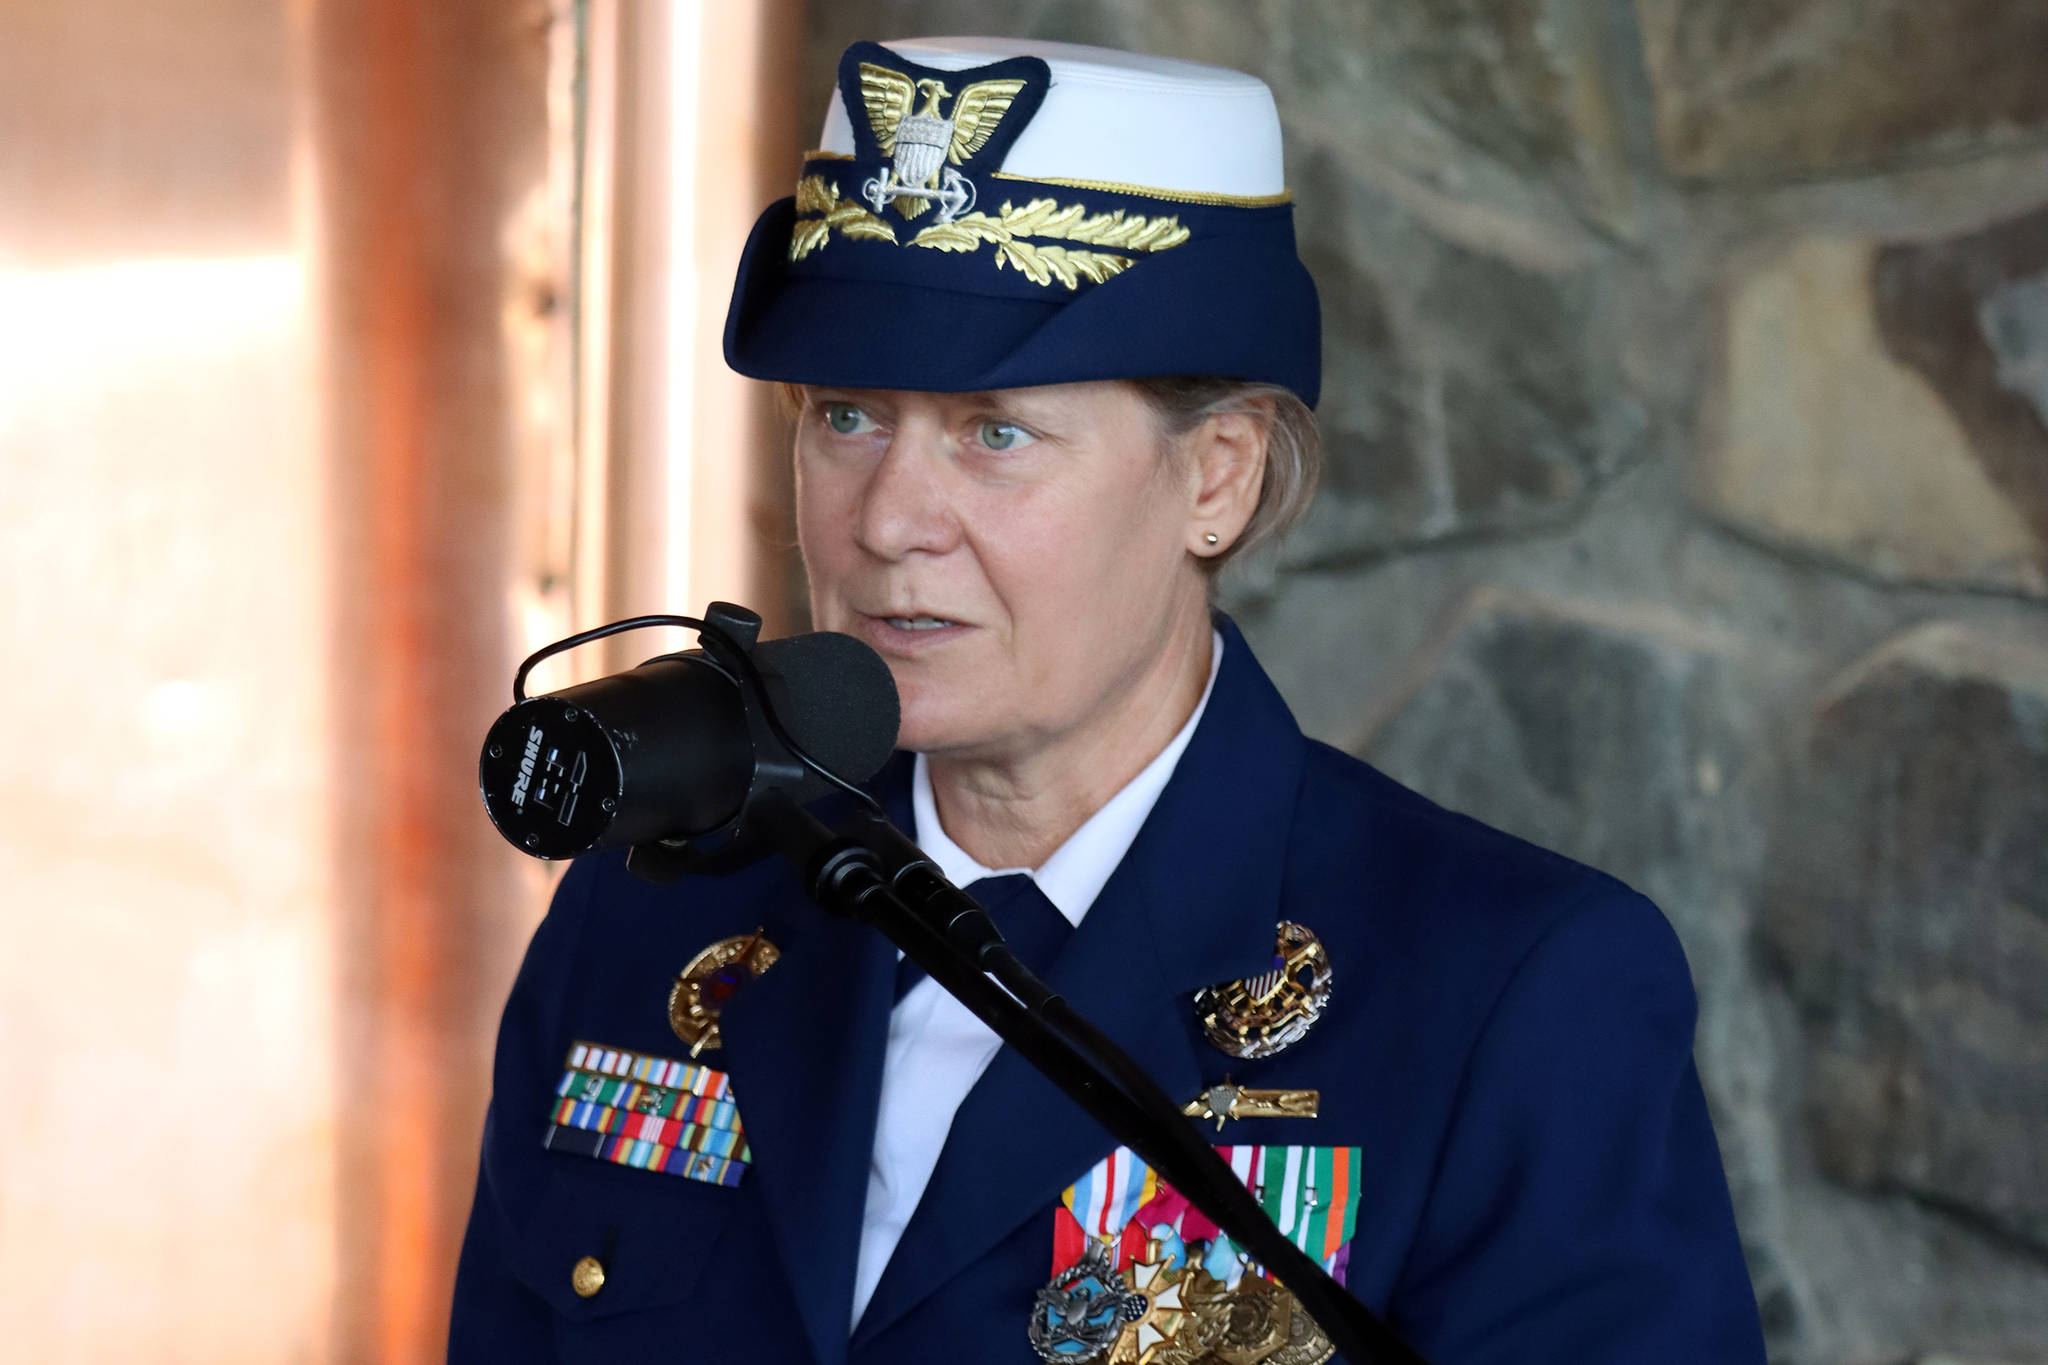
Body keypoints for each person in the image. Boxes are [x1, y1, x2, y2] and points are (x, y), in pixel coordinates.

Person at [449, 37, 1766, 1365]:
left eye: (994, 432)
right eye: (845, 414)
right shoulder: (652, 915)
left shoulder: (1509, 992)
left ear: (1220, 479)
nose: (890, 519)